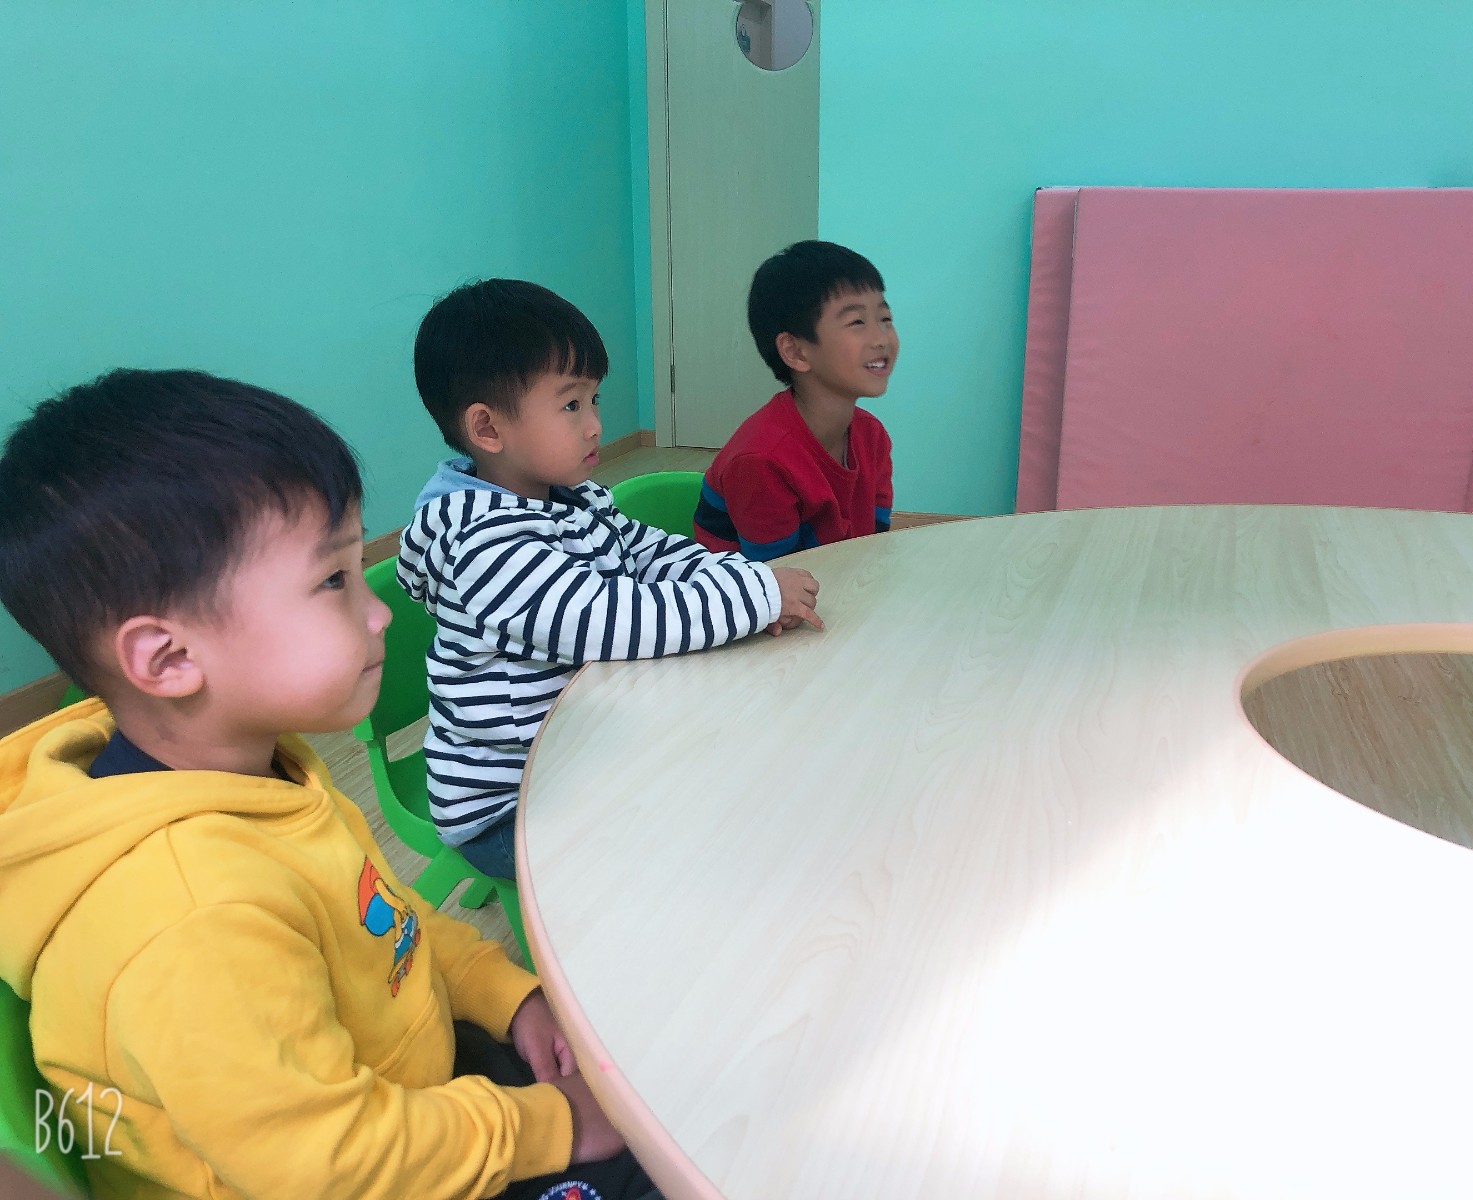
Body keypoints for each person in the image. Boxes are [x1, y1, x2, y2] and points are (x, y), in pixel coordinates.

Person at [0, 369, 655, 1199]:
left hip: (414, 1086)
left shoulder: (254, 771)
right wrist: (553, 1125)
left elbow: (385, 918)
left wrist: (508, 998)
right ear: (168, 660)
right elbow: (333, 1163)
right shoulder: (193, 918)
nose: (378, 612)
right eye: (333, 581)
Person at [401, 279, 822, 880]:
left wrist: (743, 578)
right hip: (514, 801)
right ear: (488, 429)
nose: (596, 424)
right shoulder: (483, 546)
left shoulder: (570, 499)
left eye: (593, 399)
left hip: (588, 746)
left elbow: (649, 553)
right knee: (698, 840)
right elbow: (611, 618)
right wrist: (751, 599)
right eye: (571, 405)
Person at [694, 240, 897, 560]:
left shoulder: (873, 437)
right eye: (857, 322)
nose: (881, 338)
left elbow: (873, 544)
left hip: (837, 577)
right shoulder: (761, 460)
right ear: (796, 352)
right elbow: (775, 579)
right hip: (750, 586)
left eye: (885, 318)